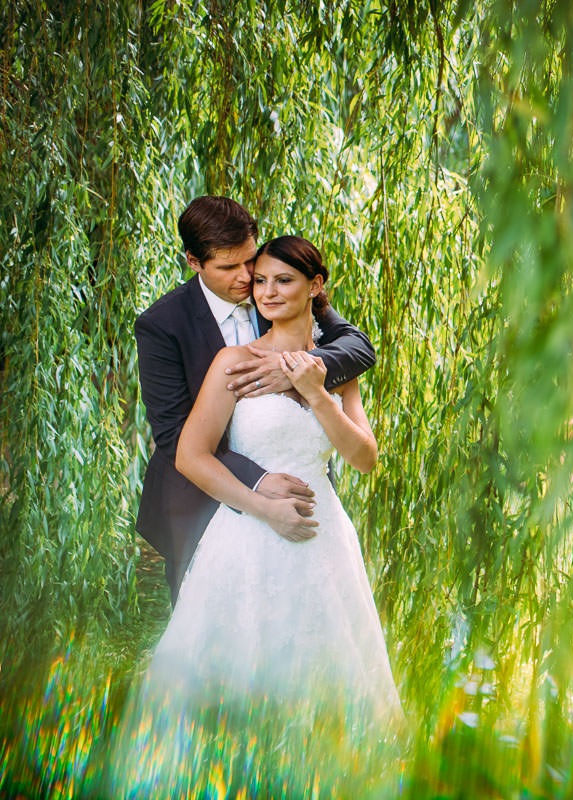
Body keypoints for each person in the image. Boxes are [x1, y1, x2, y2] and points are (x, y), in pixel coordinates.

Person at [106, 236, 398, 795]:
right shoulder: (234, 362)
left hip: (323, 540)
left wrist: (316, 392)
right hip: (246, 534)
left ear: (315, 286)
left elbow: (364, 458)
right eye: (260, 281)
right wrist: (263, 507)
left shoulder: (337, 364)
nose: (266, 292)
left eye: (282, 281)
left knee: (323, 671)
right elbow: (190, 455)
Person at [134, 196, 375, 602]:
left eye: (250, 261)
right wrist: (259, 482)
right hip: (199, 498)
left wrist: (295, 371)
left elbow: (358, 348)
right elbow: (176, 437)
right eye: (229, 267)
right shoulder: (162, 325)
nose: (248, 278)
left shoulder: (278, 291)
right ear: (194, 262)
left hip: (304, 500)